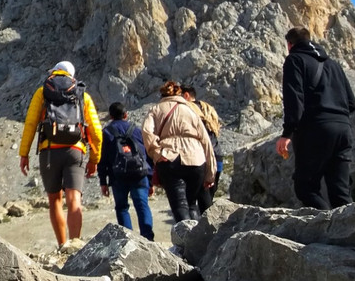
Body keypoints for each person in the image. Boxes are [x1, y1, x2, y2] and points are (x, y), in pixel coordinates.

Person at [19, 61, 102, 247]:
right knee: (74, 198)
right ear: (72, 75)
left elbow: (31, 123)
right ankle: (75, 245)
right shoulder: (82, 94)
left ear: (55, 72)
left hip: (49, 152)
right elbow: (96, 131)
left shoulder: (43, 92)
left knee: (55, 199)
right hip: (76, 150)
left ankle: (62, 245)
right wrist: (94, 159)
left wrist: (24, 153)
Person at [276, 26, 355, 209]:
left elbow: (294, 100)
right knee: (341, 191)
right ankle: (349, 232)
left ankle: (326, 227)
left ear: (289, 44)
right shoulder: (334, 64)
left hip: (315, 129)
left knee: (306, 187)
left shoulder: (294, 60)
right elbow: (352, 103)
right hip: (343, 129)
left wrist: (287, 133)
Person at [141, 80, 215, 223]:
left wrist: (156, 152)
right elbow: (206, 141)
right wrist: (210, 174)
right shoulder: (191, 110)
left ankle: (186, 241)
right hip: (196, 158)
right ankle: (197, 239)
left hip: (169, 157)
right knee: (192, 204)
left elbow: (147, 132)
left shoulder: (155, 110)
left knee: (180, 205)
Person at [97, 102, 155, 240]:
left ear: (110, 116)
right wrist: (151, 180)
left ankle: (127, 239)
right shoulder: (136, 130)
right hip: (139, 174)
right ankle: (148, 238)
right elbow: (146, 155)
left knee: (122, 208)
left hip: (117, 176)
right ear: (126, 114)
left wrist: (103, 181)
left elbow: (103, 159)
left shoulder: (106, 132)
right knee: (142, 205)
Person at [182, 84, 222, 214]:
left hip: (199, 158)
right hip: (217, 156)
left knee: (193, 201)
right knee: (208, 198)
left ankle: (201, 230)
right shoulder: (208, 108)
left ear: (186, 95)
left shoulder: (186, 109)